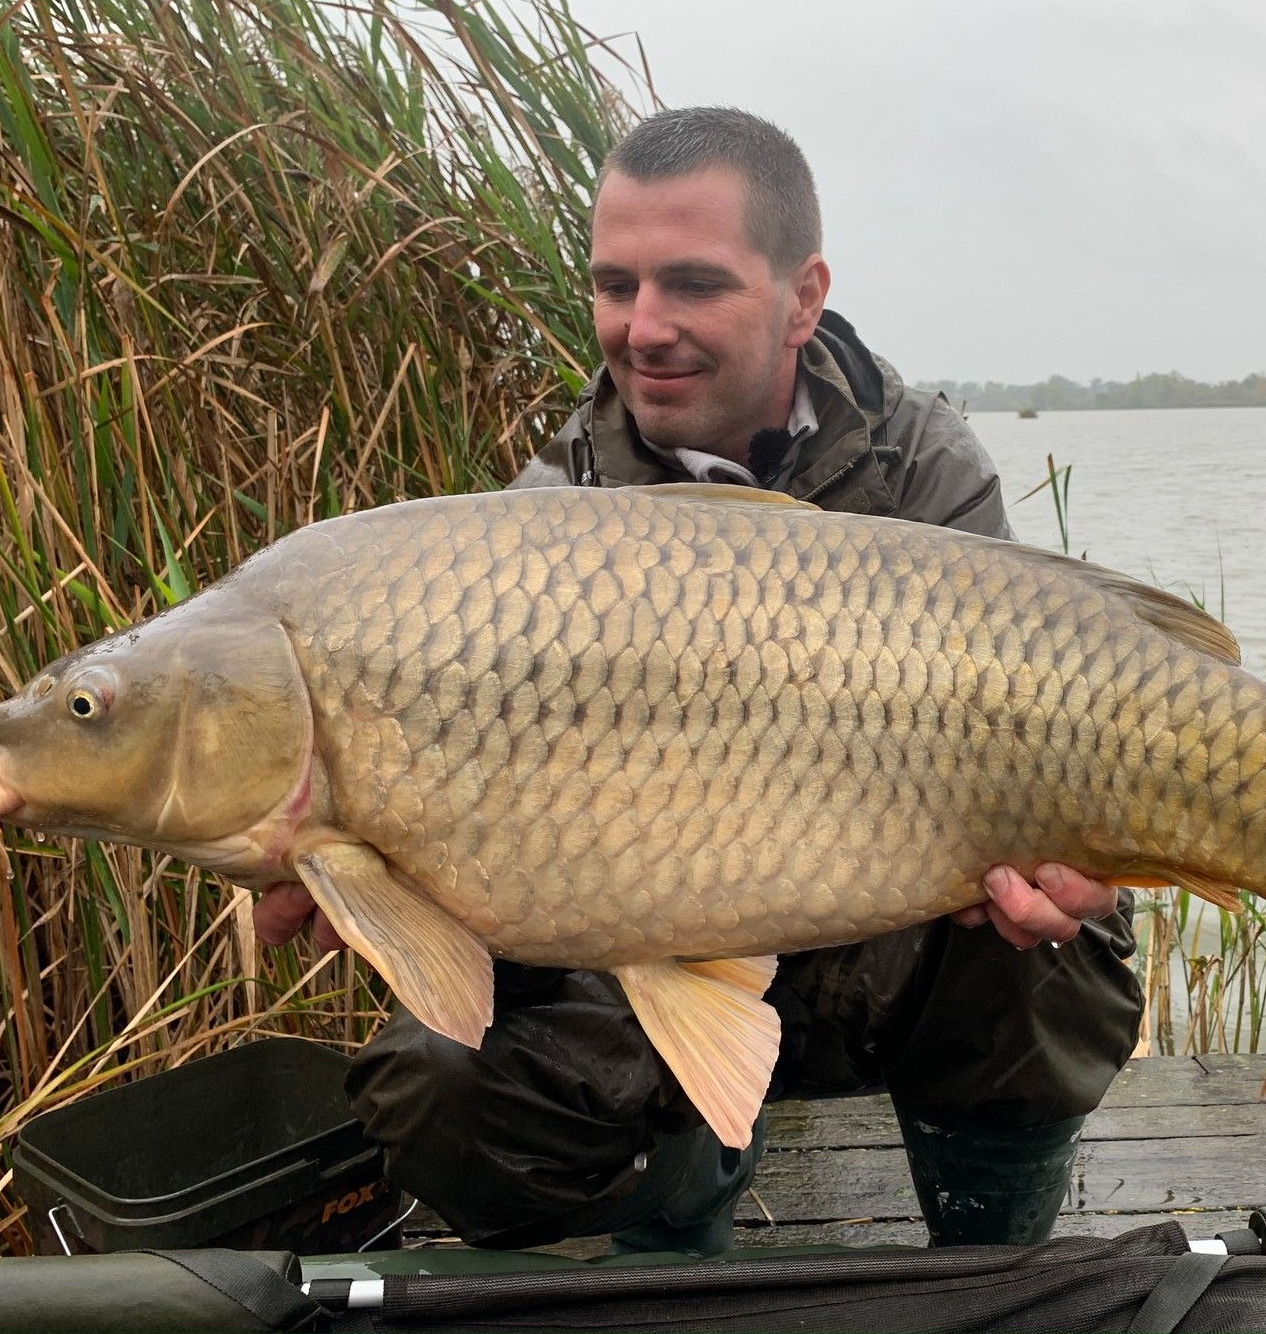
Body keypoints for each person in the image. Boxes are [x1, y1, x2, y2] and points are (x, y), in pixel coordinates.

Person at [254, 107, 1144, 1254]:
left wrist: (1090, 861)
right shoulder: (542, 523)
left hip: (885, 938)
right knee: (446, 1087)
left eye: (692, 285)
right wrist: (394, 884)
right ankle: (678, 1227)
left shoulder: (924, 466)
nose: (644, 327)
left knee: (1045, 960)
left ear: (804, 294)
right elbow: (513, 863)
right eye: (614, 285)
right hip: (653, 937)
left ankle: (996, 1257)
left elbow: (1038, 728)